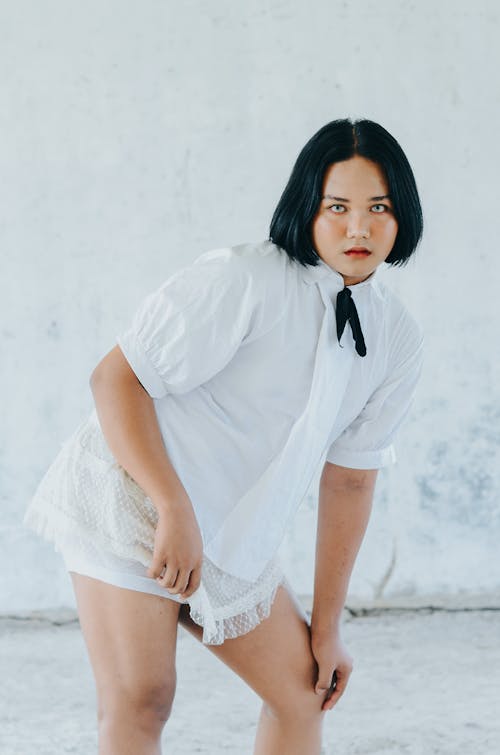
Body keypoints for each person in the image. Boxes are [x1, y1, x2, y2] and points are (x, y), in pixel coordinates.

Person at [23, 117, 424, 755]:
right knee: (142, 698)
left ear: (402, 215)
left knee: (302, 693)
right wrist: (172, 506)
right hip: (131, 496)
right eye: (337, 207)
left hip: (228, 531)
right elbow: (115, 380)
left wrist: (327, 629)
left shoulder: (395, 337)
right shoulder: (245, 279)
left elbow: (349, 479)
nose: (359, 228)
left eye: (379, 207)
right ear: (306, 208)